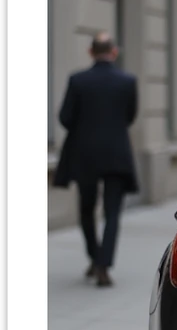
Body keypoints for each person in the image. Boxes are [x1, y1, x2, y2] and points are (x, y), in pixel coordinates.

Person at [53, 33, 139, 288]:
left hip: (85, 155)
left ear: (90, 52)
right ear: (114, 52)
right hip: (116, 154)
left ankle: (94, 256)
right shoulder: (128, 81)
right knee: (112, 213)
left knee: (86, 209)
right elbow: (130, 116)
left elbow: (65, 118)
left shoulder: (78, 80)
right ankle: (104, 265)